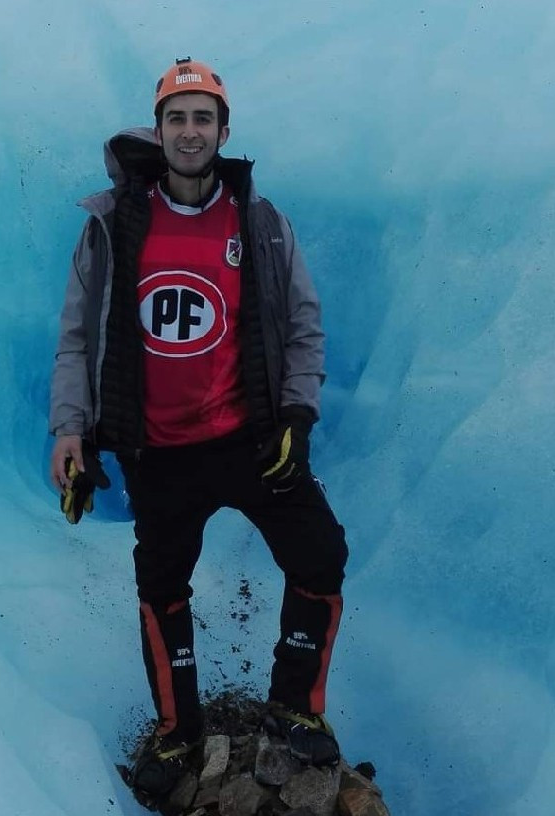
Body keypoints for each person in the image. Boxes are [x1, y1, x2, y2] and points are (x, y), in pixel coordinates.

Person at [49, 57, 348, 798]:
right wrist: (71, 432)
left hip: (250, 440)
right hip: (159, 452)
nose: (190, 131)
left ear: (223, 131)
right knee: (161, 587)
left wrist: (298, 416)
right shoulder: (113, 226)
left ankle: (295, 706)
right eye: (177, 117)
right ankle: (179, 729)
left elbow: (303, 326)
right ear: (158, 130)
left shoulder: (260, 223)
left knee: (320, 556)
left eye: (203, 118)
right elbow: (77, 338)